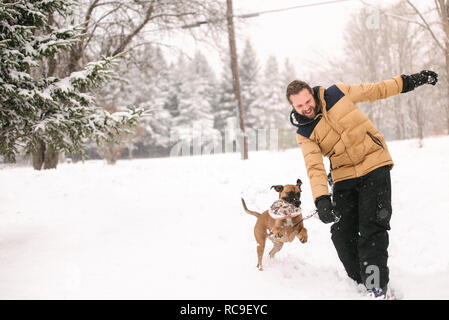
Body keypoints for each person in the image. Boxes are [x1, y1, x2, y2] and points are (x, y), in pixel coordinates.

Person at [286, 70, 438, 298]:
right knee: (341, 233)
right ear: (293, 107)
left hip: (374, 163)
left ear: (313, 94)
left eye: (308, 101)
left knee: (372, 227)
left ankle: (376, 286)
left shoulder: (337, 93)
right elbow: (314, 167)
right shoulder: (305, 132)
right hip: (344, 175)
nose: (306, 108)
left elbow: (377, 90)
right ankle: (362, 282)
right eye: (299, 106)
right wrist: (322, 199)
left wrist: (409, 81)